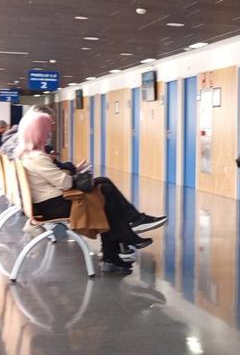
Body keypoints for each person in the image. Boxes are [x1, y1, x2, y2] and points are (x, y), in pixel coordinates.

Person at [14, 111, 165, 272]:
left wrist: (65, 172)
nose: (50, 133)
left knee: (104, 188)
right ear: (39, 132)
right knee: (105, 195)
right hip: (54, 205)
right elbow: (64, 183)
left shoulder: (25, 154)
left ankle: (124, 240)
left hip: (46, 202)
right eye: (47, 129)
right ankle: (125, 236)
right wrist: (70, 174)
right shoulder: (37, 157)